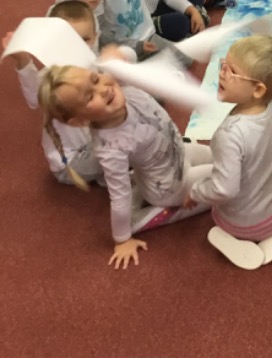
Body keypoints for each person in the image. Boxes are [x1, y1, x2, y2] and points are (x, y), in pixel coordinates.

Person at [36, 65, 214, 268]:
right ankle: (151, 215)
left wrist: (119, 57)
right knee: (229, 180)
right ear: (80, 121)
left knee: (214, 155)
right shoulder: (110, 147)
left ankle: (146, 195)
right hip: (171, 187)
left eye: (95, 79)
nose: (103, 89)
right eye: (90, 96)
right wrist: (122, 239)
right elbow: (119, 195)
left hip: (178, 151)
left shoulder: (126, 91)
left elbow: (131, 62)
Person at [188, 34, 272, 269]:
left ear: (258, 89)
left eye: (232, 71)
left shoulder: (229, 134)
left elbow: (224, 189)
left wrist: (196, 192)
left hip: (232, 222)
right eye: (223, 64)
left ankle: (245, 236)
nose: (222, 73)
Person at [3, 1, 103, 188]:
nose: (77, 48)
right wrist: (23, 61)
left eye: (85, 40)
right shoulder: (51, 76)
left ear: (95, 37)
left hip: (95, 142)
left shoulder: (92, 65)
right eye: (69, 41)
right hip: (70, 162)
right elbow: (35, 98)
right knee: (123, 148)